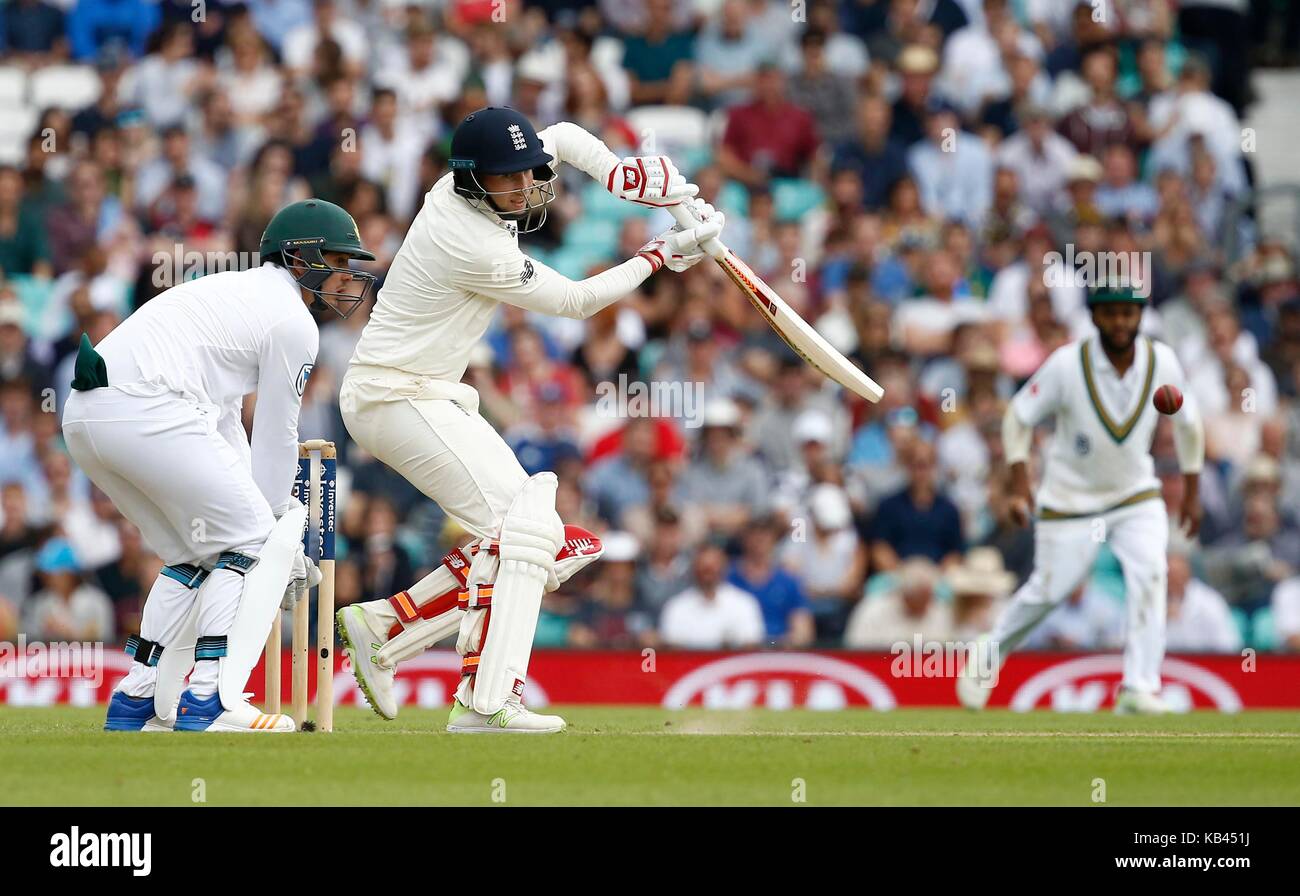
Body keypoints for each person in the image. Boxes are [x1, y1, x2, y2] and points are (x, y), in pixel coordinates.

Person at [334, 107, 723, 733]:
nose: (524, 187)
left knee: (549, 541)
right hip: (393, 398)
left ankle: (385, 626)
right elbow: (574, 301)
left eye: (525, 174)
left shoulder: (470, 188)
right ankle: (487, 703)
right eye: (507, 180)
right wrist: (660, 255)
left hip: (430, 394)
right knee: (524, 530)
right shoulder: (472, 240)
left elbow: (565, 138)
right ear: (470, 181)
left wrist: (622, 176)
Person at [62, 198, 376, 732]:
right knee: (248, 540)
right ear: (300, 259)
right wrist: (275, 535)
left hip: (86, 416)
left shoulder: (236, 296)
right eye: (338, 261)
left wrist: (259, 521)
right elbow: (278, 432)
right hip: (148, 407)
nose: (346, 277)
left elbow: (228, 426)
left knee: (190, 550)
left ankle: (137, 697)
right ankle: (211, 700)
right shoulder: (292, 322)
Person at [958, 282, 1205, 714]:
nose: (1120, 322)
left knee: (1151, 573)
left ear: (1140, 317)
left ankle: (1139, 686)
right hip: (1070, 498)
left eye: (1128, 313)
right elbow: (1018, 417)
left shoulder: (1161, 361)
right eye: (1110, 313)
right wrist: (1020, 487)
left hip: (1135, 494)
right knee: (1052, 589)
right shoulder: (1067, 365)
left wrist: (1192, 491)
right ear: (1093, 317)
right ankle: (990, 652)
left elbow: (1188, 424)